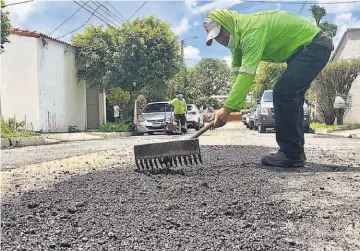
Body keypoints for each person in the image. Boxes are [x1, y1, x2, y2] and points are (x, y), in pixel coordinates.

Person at [203, 9, 333, 167]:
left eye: (221, 33)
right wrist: (226, 106)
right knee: (292, 96)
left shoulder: (251, 30)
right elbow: (237, 75)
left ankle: (291, 154)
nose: (222, 40)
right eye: (216, 38)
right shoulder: (237, 44)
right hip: (304, 51)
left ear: (228, 23)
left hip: (314, 46)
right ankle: (295, 152)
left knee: (283, 92)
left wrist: (227, 109)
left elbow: (247, 73)